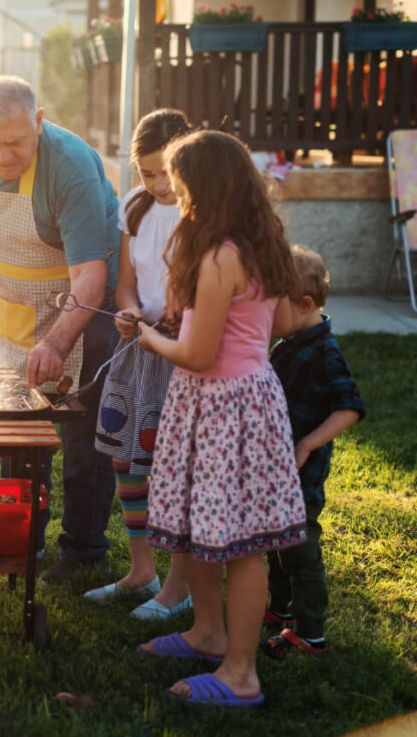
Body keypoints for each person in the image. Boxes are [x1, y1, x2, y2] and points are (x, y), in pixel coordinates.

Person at [134, 130, 307, 708]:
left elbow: (198, 354)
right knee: (200, 528)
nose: (177, 196)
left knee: (241, 545)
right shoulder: (263, 245)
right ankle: (207, 634)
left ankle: (240, 673)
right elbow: (282, 321)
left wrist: (151, 338)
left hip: (217, 405)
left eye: (180, 185)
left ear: (204, 187)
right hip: (252, 399)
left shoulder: (216, 255)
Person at [0, 75, 120, 582]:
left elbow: (90, 276)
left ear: (39, 122)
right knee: (16, 424)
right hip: (14, 299)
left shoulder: (72, 168)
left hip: (81, 305)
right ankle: (20, 536)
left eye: (14, 143)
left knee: (80, 430)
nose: (0, 156)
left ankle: (83, 550)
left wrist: (58, 341)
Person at [82, 109, 193, 620]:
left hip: (180, 354)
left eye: (164, 173)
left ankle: (180, 586)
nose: (157, 184)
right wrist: (128, 310)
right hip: (136, 352)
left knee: (174, 469)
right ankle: (140, 570)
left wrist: (167, 326)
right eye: (146, 173)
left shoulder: (203, 213)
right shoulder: (135, 206)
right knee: (128, 461)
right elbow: (126, 280)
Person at [261, 245, 364, 658]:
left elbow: (350, 408)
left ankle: (310, 631)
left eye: (272, 307)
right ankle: (281, 611)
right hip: (276, 469)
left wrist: (308, 443)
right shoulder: (290, 341)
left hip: (301, 475)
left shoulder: (325, 353)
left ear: (305, 304)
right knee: (277, 543)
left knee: (299, 549)